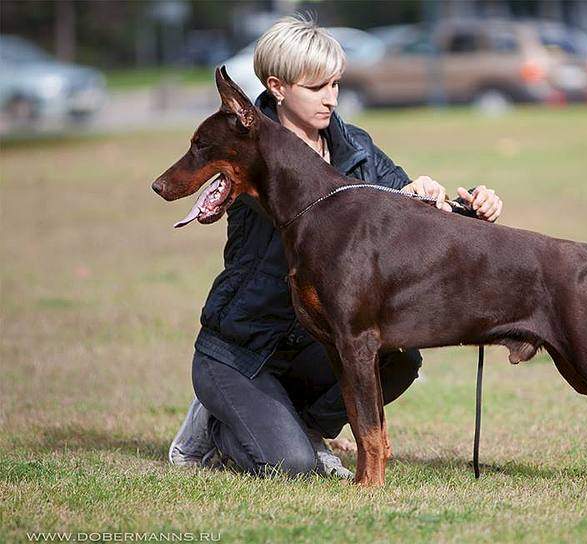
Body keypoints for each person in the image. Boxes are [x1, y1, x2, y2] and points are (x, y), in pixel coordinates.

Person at [168, 15, 504, 479]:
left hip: (311, 342)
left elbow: (404, 202)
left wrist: (459, 206)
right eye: (317, 87)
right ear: (278, 87)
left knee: (400, 358)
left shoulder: (355, 149)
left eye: (336, 85)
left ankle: (298, 425)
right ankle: (214, 427)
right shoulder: (248, 149)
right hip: (243, 351)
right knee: (292, 467)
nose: (331, 98)